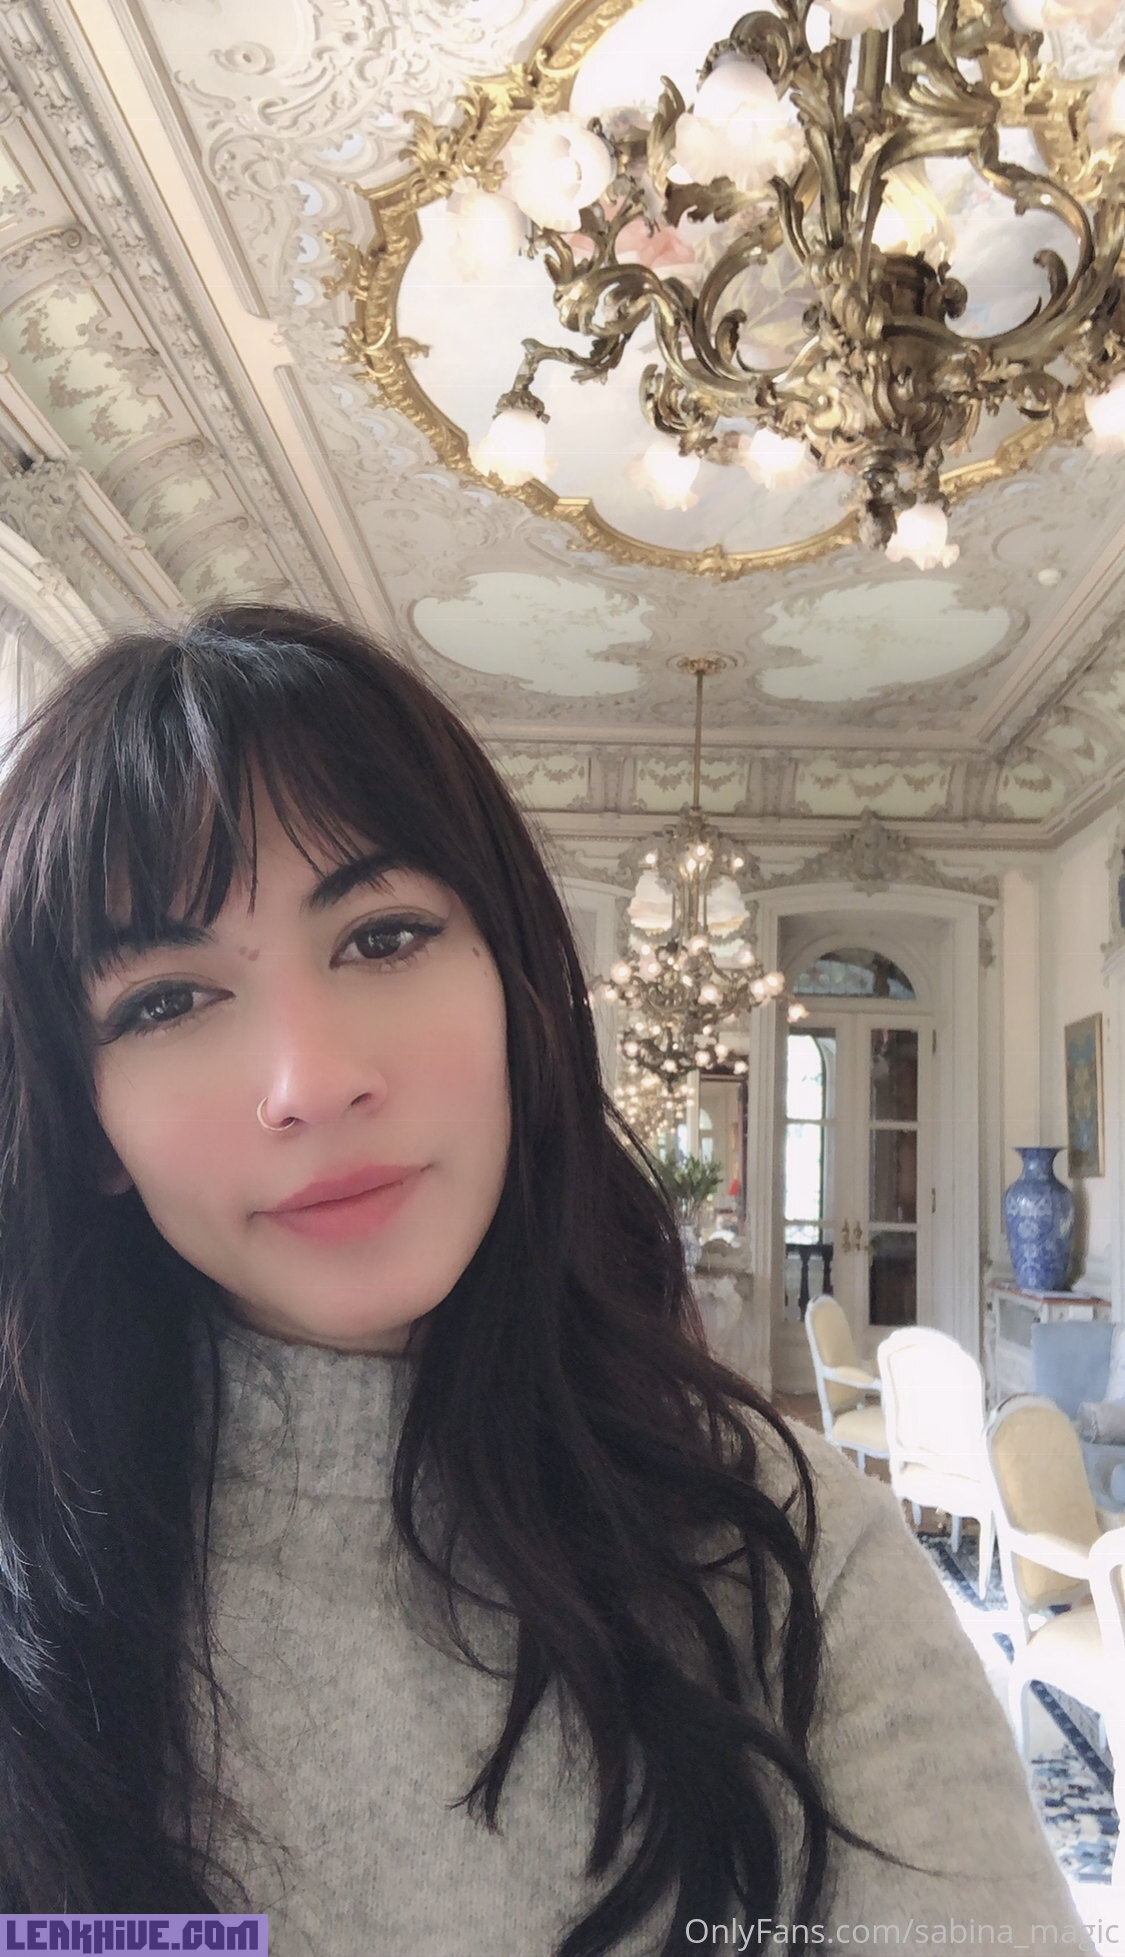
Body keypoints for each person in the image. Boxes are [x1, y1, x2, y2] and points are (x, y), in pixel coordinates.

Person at [0, 607, 1088, 1954]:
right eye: (165, 1001)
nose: (311, 1081)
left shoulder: (796, 1563)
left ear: (521, 990)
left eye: (382, 936)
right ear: (84, 1122)